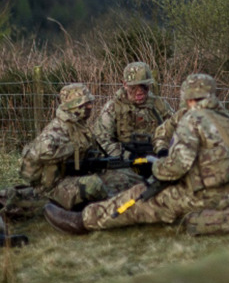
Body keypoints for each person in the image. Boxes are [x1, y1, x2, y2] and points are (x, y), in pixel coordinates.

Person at [43, 74, 229, 235]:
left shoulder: (193, 119)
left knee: (139, 198)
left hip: (201, 193)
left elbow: (176, 166)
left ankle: (83, 221)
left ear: (189, 98)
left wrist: (157, 167)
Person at [20, 83, 143, 211]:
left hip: (77, 177)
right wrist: (73, 149)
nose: (90, 106)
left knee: (125, 176)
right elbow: (41, 153)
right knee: (93, 185)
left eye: (89, 102)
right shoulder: (57, 129)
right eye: (84, 104)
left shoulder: (79, 126)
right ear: (72, 106)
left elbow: (92, 151)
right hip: (53, 188)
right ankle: (108, 211)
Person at [94, 61, 173, 158]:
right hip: (124, 162)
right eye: (133, 87)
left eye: (144, 86)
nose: (139, 92)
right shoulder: (113, 107)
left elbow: (176, 130)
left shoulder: (159, 105)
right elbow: (102, 138)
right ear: (125, 84)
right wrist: (126, 156)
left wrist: (163, 150)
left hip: (155, 158)